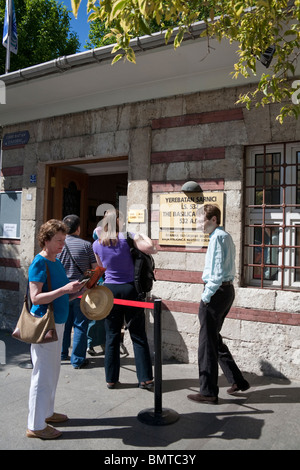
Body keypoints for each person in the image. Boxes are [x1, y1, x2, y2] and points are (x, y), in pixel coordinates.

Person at [27, 219, 84, 439]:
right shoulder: (40, 262)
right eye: (58, 241)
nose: (62, 244)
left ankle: (47, 413)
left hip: (57, 322)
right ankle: (35, 425)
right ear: (46, 240)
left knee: (52, 372)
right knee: (42, 374)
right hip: (44, 324)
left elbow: (61, 294)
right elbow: (36, 298)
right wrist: (64, 290)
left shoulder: (56, 260)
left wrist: (77, 291)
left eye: (64, 240)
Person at [187, 204, 250, 405]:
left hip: (216, 292)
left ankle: (208, 392)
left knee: (206, 343)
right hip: (225, 291)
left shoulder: (217, 238)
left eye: (201, 220)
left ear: (214, 219)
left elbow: (215, 272)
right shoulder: (224, 236)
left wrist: (206, 297)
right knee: (214, 338)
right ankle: (237, 380)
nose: (199, 225)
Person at [93, 209, 154, 389]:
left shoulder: (96, 244)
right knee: (138, 334)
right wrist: (141, 234)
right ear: (118, 222)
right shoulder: (127, 240)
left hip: (110, 290)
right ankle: (145, 378)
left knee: (111, 335)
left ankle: (111, 379)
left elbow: (101, 267)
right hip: (130, 289)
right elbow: (151, 249)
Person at [58, 214, 97, 369]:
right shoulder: (87, 245)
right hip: (81, 291)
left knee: (64, 324)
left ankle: (62, 353)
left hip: (62, 291)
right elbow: (94, 270)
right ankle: (78, 359)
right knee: (81, 325)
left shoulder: (58, 245)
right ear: (78, 228)